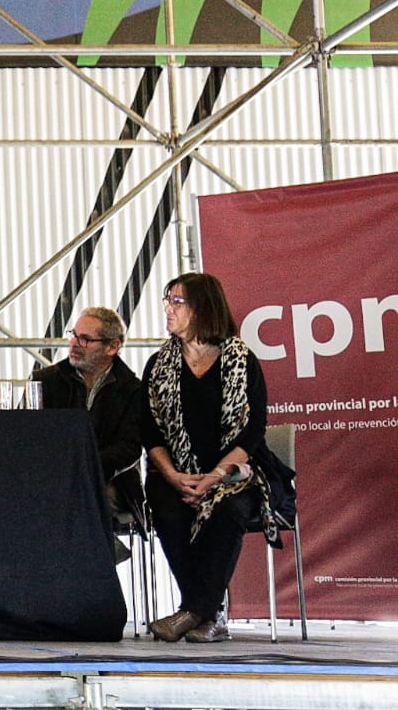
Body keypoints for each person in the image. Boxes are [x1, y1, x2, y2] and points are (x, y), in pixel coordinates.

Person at [143, 272, 279, 644]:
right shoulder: (158, 364)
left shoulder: (241, 360)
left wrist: (215, 476)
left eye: (177, 301)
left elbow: (253, 432)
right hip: (175, 474)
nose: (168, 309)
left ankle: (193, 611)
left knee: (228, 509)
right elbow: (150, 432)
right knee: (167, 506)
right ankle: (208, 614)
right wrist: (173, 476)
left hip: (234, 472)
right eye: (167, 300)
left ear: (202, 308)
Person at [31, 308, 143, 509]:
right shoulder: (45, 381)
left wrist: (84, 468)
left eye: (85, 339)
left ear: (112, 346)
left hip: (110, 482)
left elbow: (129, 448)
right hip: (54, 478)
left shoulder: (132, 389)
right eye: (73, 335)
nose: (74, 343)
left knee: (85, 499)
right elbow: (31, 436)